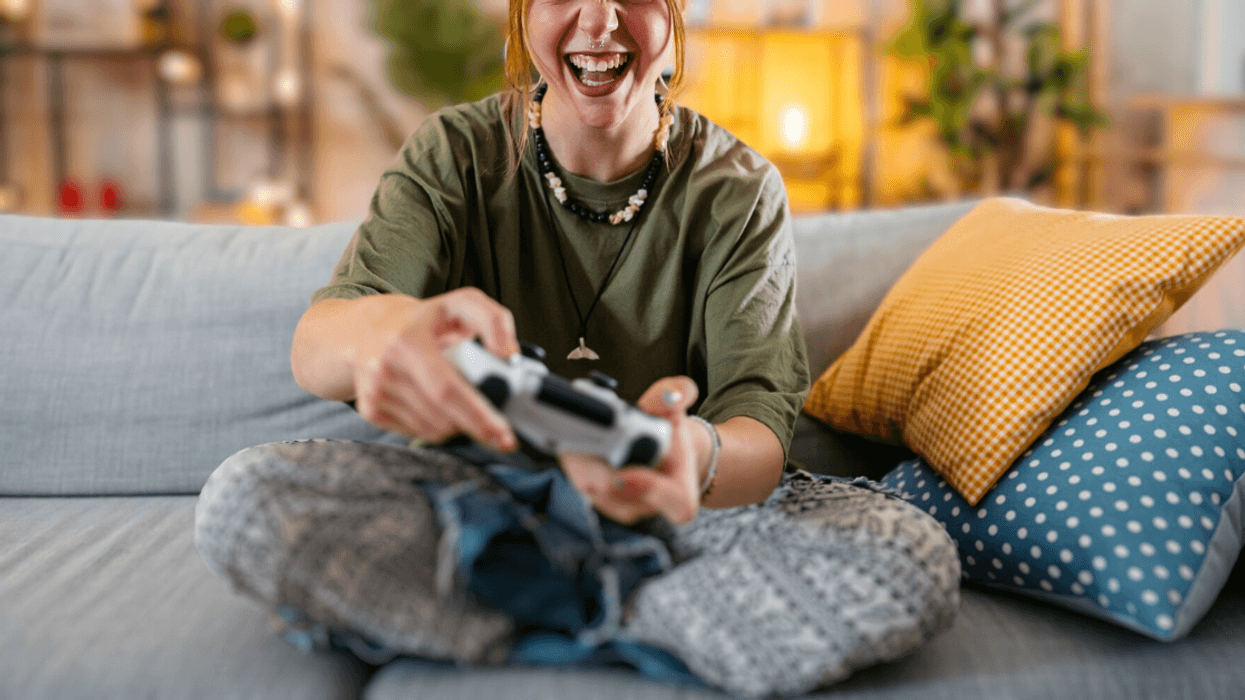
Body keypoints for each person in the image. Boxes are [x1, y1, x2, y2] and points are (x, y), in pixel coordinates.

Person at [194, 0, 960, 695]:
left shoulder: (736, 187)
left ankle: (502, 608)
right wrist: (381, 333)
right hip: (482, 493)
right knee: (246, 501)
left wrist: (686, 456)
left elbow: (757, 433)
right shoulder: (456, 153)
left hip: (677, 517)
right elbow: (318, 343)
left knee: (908, 560)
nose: (599, 23)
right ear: (523, 14)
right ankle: (657, 623)